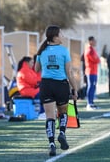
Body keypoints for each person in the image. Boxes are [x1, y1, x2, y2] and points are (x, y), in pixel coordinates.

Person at [35, 25, 78, 156]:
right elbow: (69, 72)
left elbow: (36, 69)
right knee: (63, 112)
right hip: (61, 85)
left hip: (46, 85)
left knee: (49, 116)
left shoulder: (41, 51)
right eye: (61, 34)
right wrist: (75, 89)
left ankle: (51, 144)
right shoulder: (64, 51)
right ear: (55, 37)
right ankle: (62, 133)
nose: (63, 36)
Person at [84, 36, 100, 110]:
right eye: (94, 40)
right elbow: (95, 59)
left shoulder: (92, 49)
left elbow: (97, 59)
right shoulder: (89, 50)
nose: (95, 42)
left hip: (94, 71)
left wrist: (97, 59)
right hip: (90, 71)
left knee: (93, 87)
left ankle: (92, 103)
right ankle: (89, 104)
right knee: (90, 87)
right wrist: (97, 59)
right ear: (90, 41)